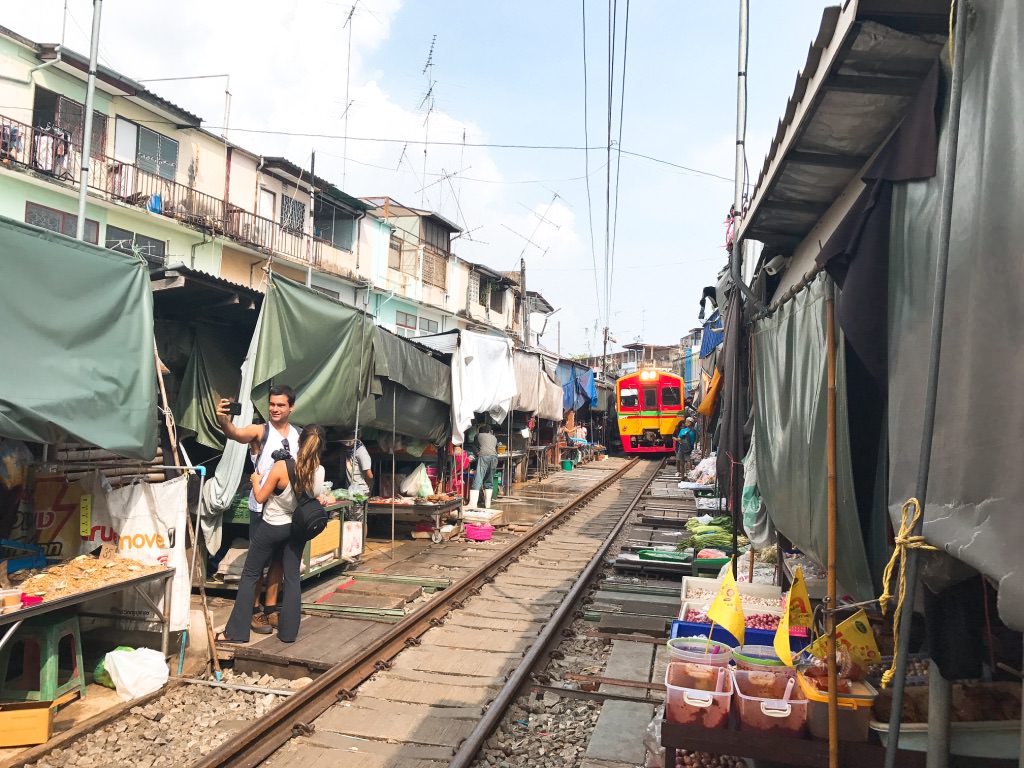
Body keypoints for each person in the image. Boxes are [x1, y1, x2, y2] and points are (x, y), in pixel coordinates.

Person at [219, 425, 327, 644]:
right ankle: (288, 633)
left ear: (298, 443)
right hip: (295, 530)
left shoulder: (281, 467)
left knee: (250, 574)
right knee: (292, 578)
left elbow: (259, 498)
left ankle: (236, 633)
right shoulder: (320, 471)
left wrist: (256, 481)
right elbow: (314, 496)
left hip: (272, 526)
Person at [216, 385, 300, 634]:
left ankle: (271, 607)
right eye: (272, 404)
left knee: (279, 562)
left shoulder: (297, 435)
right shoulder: (260, 431)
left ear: (291, 407)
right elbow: (235, 433)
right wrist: (224, 421)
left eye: (280, 405)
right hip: (262, 508)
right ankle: (254, 612)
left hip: (288, 509)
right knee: (259, 561)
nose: (274, 409)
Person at [470, 423, 498, 509]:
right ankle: (488, 505)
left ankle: (473, 505)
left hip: (484, 456)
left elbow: (474, 446)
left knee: (478, 477)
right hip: (494, 457)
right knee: (489, 479)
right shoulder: (494, 437)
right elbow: (494, 448)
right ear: (489, 431)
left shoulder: (477, 435)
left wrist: (477, 454)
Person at [341, 431, 373, 496]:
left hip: (360, 492)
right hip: (351, 490)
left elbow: (369, 475)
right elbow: (336, 454)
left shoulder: (361, 452)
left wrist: (369, 490)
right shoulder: (349, 450)